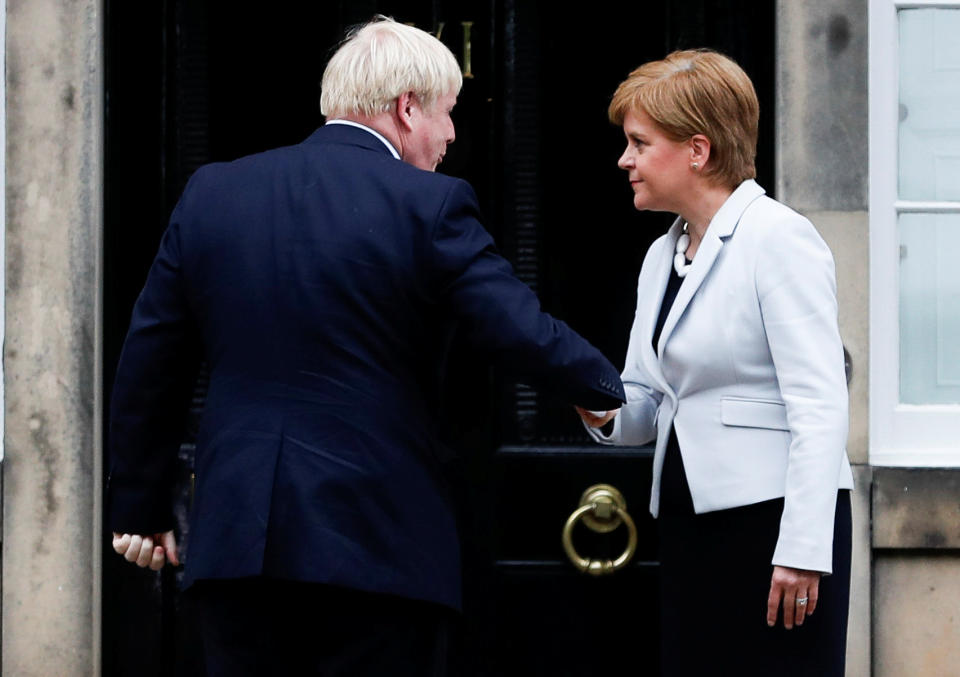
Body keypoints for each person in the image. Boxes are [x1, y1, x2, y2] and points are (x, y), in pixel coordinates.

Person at [108, 16, 625, 677]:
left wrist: (141, 507)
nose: (451, 135)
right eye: (448, 113)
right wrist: (613, 392)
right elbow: (518, 330)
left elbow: (152, 359)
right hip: (375, 549)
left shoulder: (213, 194)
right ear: (407, 108)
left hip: (237, 548)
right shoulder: (431, 206)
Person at [578, 49, 854, 676]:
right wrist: (589, 396)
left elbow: (820, 402)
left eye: (640, 143)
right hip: (688, 525)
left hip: (773, 531)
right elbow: (647, 403)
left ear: (697, 151)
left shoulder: (778, 237)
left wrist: (803, 548)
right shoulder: (661, 256)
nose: (625, 160)